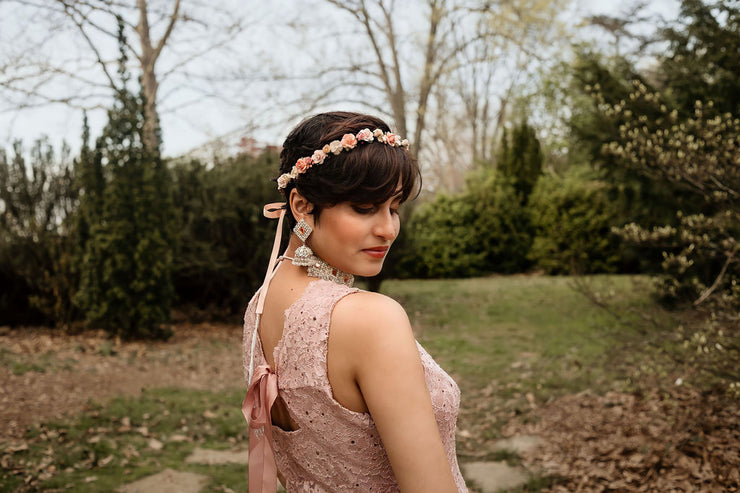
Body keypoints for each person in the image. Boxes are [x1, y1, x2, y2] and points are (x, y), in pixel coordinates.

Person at [242, 111, 467, 492]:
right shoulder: (370, 318)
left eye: (394, 208)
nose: (387, 229)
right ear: (301, 205)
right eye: (364, 208)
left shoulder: (260, 305)